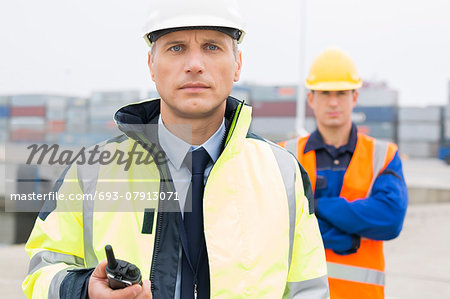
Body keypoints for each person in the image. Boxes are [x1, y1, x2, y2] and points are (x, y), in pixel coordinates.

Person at [22, 0, 329, 298]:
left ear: (237, 64)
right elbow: (41, 273)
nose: (194, 65)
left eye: (212, 47)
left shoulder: (283, 174)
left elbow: (308, 290)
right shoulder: (90, 172)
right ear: (151, 65)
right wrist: (84, 289)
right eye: (176, 48)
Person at [280, 47, 408, 299]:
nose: (334, 102)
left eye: (341, 93)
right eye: (325, 93)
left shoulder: (383, 155)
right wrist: (349, 233)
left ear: (355, 97)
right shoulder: (286, 154)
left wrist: (317, 206)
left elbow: (390, 220)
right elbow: (277, 222)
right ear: (311, 99)